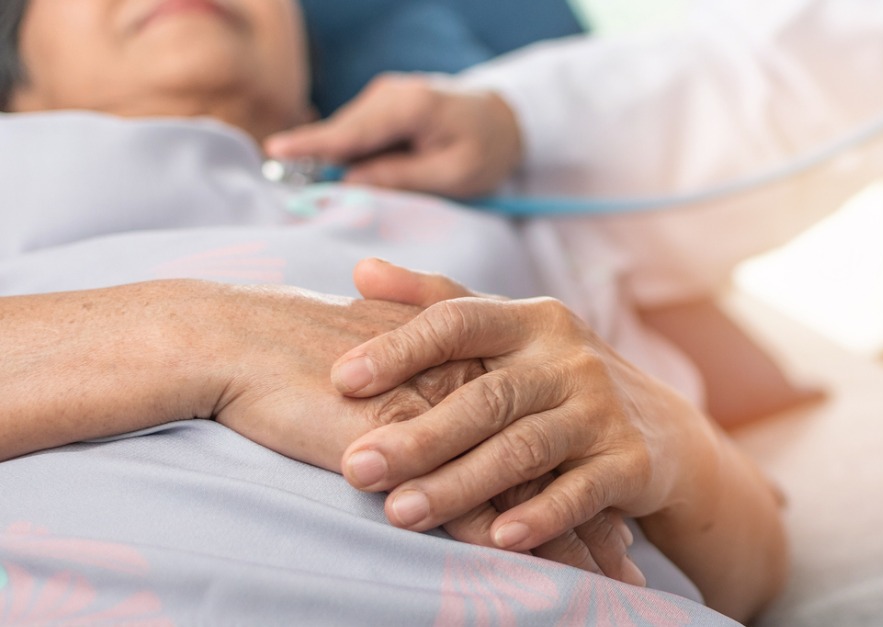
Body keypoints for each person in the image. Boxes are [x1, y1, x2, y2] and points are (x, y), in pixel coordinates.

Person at [0, 0, 786, 622]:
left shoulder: (501, 221)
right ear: (17, 80)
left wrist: (670, 439)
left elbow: (751, 571)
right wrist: (205, 335)